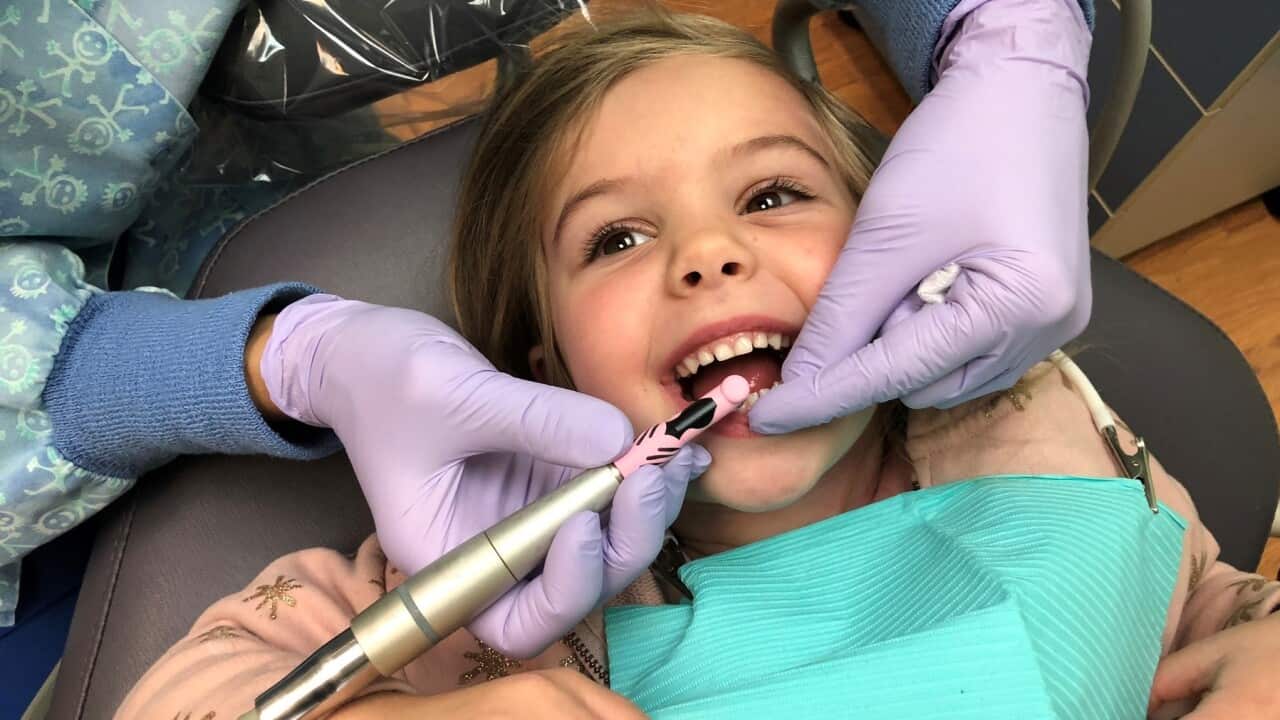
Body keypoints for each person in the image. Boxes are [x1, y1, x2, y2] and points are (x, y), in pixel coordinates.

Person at [117, 11, 1280, 718]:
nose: (709, 256)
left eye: (772, 194)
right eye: (616, 238)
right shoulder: (486, 561)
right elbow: (192, 686)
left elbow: (1204, 596)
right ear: (542, 357)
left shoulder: (1029, 419)